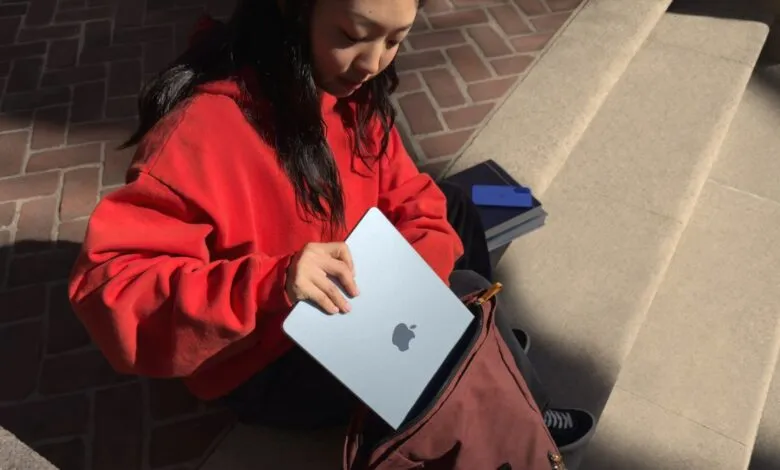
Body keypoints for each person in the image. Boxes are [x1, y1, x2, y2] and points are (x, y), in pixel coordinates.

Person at [68, 0, 593, 454]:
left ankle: (474, 349)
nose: (371, 63)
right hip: (267, 352)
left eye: (395, 39)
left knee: (457, 212)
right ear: (293, 8)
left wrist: (418, 293)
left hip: (347, 298)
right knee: (463, 298)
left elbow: (414, 196)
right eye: (351, 36)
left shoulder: (354, 97)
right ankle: (515, 402)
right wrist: (272, 282)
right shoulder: (201, 132)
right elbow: (113, 288)